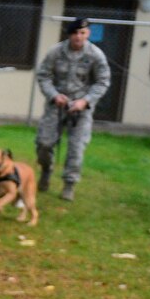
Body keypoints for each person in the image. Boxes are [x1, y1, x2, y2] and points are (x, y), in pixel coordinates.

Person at [32, 18, 111, 201]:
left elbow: (102, 82)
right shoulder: (56, 52)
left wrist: (85, 101)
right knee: (44, 143)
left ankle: (69, 184)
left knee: (76, 148)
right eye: (75, 33)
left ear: (88, 34)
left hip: (81, 109)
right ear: (69, 34)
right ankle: (46, 170)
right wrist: (53, 95)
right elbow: (43, 75)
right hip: (57, 105)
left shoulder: (95, 55)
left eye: (82, 33)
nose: (78, 37)